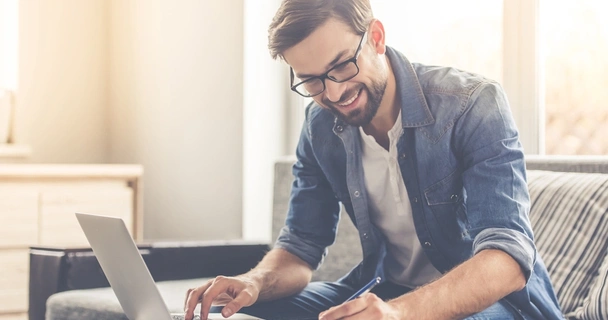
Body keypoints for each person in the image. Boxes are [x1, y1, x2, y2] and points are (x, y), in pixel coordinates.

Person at [184, 0, 564, 319]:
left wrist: (399, 313)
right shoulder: (320, 126)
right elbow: (301, 246)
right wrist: (254, 283)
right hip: (388, 291)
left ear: (376, 38)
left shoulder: (473, 104)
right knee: (245, 312)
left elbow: (507, 258)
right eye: (312, 81)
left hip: (496, 305)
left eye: (341, 66)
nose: (333, 93)